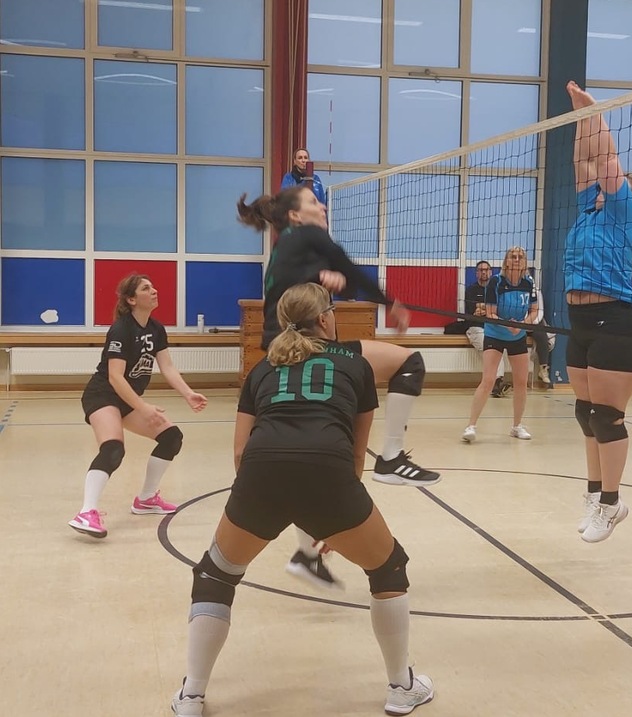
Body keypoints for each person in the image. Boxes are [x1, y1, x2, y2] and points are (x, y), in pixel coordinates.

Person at [170, 283, 434, 717]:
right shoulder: (357, 366)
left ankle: (192, 696)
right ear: (326, 319)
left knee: (216, 574)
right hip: (328, 474)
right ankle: (401, 688)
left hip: (260, 471)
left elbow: (239, 452)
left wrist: (259, 500)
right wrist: (328, 519)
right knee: (388, 568)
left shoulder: (262, 369)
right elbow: (354, 455)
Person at [237, 184, 441, 589]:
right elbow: (347, 268)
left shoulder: (286, 251)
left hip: (279, 355)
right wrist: (390, 302)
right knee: (409, 362)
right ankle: (391, 457)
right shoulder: (310, 236)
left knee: (304, 442)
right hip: (312, 349)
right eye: (313, 202)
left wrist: (325, 279)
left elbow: (313, 284)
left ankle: (307, 554)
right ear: (295, 215)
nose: (322, 205)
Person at [564, 80, 632, 543]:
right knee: (586, 414)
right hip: (581, 322)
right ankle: (593, 492)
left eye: (609, 184)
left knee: (606, 416)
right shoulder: (587, 209)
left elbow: (603, 161)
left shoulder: (621, 209)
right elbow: (584, 161)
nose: (599, 186)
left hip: (617, 321)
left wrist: (596, 113)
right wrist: (579, 116)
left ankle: (611, 502)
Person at [69, 275, 208, 539]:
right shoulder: (122, 329)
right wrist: (143, 407)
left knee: (171, 437)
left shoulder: (156, 329)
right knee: (113, 449)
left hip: (127, 398)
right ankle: (86, 512)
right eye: (146, 288)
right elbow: (115, 377)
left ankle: (145, 499)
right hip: (103, 396)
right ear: (132, 299)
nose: (154, 291)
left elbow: (167, 367)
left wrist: (188, 394)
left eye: (153, 286)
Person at [461, 246, 537, 443]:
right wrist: (507, 324)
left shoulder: (529, 283)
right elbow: (490, 312)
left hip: (517, 335)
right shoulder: (496, 282)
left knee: (521, 382)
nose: (517, 259)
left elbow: (534, 311)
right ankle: (471, 425)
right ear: (507, 261)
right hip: (495, 333)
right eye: (513, 256)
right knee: (488, 380)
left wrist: (522, 325)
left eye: (521, 256)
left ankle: (516, 426)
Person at [464, 260, 508, 398]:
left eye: (486, 269)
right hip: (476, 328)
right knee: (490, 348)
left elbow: (500, 311)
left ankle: (497, 382)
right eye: (480, 270)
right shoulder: (471, 290)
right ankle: (497, 382)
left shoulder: (497, 289)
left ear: (491, 272)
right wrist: (489, 309)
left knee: (498, 347)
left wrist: (483, 308)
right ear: (476, 273)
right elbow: (473, 311)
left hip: (493, 328)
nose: (483, 272)